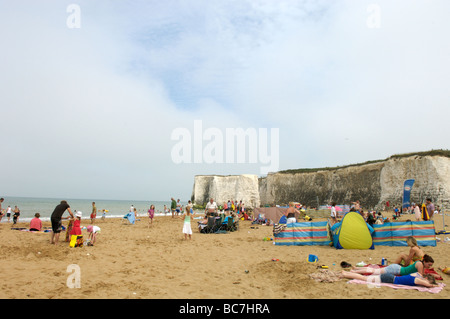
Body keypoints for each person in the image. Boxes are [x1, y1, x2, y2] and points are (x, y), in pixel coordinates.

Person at [350, 254, 439, 278]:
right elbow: (421, 275)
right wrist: (431, 275)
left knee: (373, 270)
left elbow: (422, 274)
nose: (429, 267)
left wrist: (430, 275)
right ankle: (354, 271)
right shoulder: (420, 264)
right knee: (374, 271)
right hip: (396, 270)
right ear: (425, 261)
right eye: (429, 265)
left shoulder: (420, 263)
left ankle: (357, 268)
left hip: (396, 268)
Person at [341, 270, 437, 288]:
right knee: (364, 278)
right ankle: (345, 274)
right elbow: (428, 285)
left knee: (365, 278)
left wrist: (426, 279)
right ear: (426, 279)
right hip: (390, 279)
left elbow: (420, 274)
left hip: (390, 277)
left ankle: (347, 273)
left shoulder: (416, 275)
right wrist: (433, 284)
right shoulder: (419, 280)